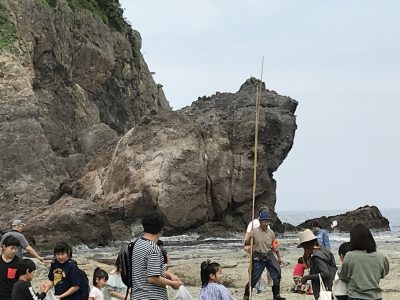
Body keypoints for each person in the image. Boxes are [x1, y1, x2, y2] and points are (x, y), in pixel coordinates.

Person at [131, 211, 182, 299]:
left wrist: (169, 275)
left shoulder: (137, 243)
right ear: (161, 229)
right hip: (151, 296)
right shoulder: (153, 249)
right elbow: (152, 278)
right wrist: (172, 283)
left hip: (137, 296)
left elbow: (147, 269)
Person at [339, 223, 389, 300]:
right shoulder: (381, 256)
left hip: (355, 296)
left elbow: (343, 276)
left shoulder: (350, 256)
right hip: (375, 296)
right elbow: (383, 274)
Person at [243, 211, 285, 300]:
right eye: (264, 221)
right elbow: (246, 243)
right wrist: (249, 237)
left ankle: (276, 295)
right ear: (260, 221)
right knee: (254, 278)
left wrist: (279, 258)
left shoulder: (271, 232)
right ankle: (246, 295)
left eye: (267, 221)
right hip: (258, 256)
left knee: (277, 274)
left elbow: (275, 246)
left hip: (269, 255)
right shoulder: (254, 231)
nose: (266, 223)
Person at [298, 229, 337, 300]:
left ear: (306, 245)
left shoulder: (316, 257)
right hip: (332, 285)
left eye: (303, 247)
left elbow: (325, 273)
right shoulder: (324, 250)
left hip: (324, 289)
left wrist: (307, 277)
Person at [0, 236, 21, 300]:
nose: (14, 251)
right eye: (11, 248)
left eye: (16, 248)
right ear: (4, 247)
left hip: (12, 296)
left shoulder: (18, 262)